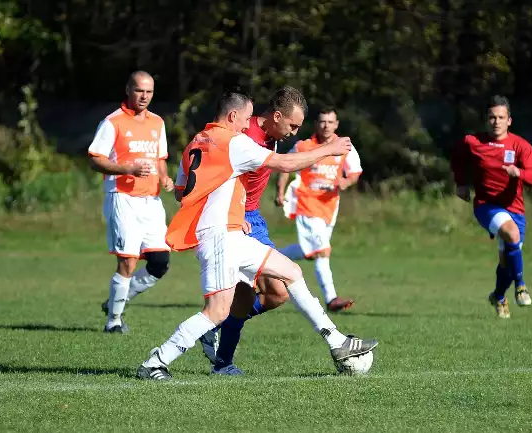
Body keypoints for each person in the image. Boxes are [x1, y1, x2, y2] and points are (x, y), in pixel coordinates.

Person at [136, 90, 378, 380]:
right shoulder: (235, 142)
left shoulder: (196, 142)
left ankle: (337, 341)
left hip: (232, 230)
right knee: (216, 311)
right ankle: (156, 362)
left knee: (290, 272)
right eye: (247, 118)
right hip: (220, 235)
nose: (249, 124)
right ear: (233, 116)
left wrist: (230, 207)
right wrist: (329, 149)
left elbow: (180, 192)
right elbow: (284, 164)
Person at [207, 86, 312, 375]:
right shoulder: (247, 135)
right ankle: (219, 349)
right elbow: (218, 176)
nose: (293, 132)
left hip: (253, 218)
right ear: (276, 116)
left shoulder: (270, 136)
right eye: (292, 125)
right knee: (277, 290)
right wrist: (234, 215)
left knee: (267, 295)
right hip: (242, 220)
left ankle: (214, 333)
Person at [88, 71, 174, 333]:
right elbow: (95, 159)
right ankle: (113, 321)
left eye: (149, 91)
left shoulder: (157, 123)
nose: (144, 96)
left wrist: (165, 177)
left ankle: (116, 301)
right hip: (122, 198)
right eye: (139, 90)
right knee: (128, 262)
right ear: (128, 90)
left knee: (159, 262)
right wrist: (127, 169)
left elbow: (160, 158)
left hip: (151, 201)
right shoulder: (112, 122)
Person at [451, 95, 532, 319]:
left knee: (508, 260)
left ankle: (499, 296)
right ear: (486, 119)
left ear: (509, 120)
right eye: (492, 117)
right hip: (486, 205)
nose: (496, 121)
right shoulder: (473, 142)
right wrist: (460, 183)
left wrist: (518, 172)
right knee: (511, 234)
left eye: (501, 117)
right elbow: (457, 158)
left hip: (515, 208)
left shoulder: (521, 146)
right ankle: (521, 287)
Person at [276, 108, 362, 311]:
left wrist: (345, 182)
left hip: (329, 208)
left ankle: (268, 260)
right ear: (316, 124)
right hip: (306, 204)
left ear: (337, 124)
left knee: (310, 252)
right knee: (322, 252)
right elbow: (285, 167)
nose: (326, 126)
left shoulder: (344, 146)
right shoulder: (304, 146)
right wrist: (280, 193)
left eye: (330, 122)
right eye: (322, 121)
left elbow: (355, 172)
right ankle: (331, 299)